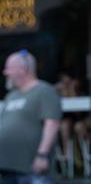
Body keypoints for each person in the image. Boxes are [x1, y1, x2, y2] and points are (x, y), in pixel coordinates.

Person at [0, 50, 62, 184]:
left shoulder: (44, 91)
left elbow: (52, 124)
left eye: (9, 68)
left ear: (22, 70)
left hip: (31, 170)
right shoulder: (11, 95)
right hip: (6, 167)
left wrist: (42, 155)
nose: (5, 72)